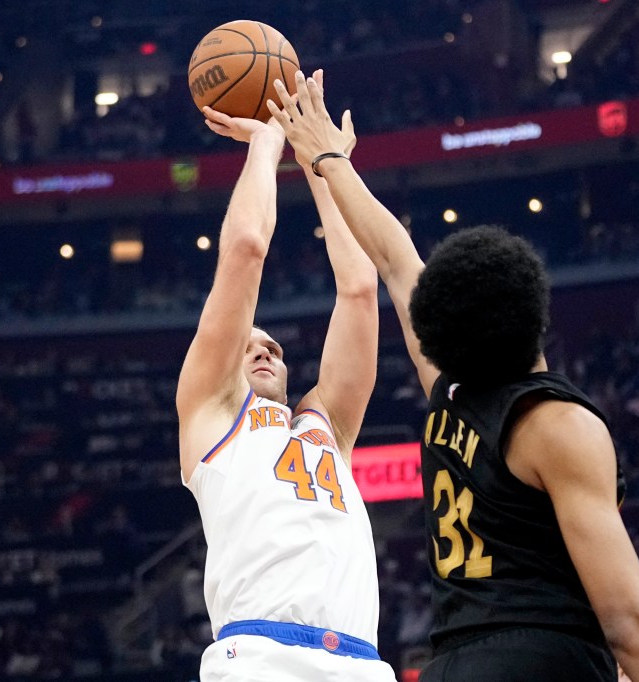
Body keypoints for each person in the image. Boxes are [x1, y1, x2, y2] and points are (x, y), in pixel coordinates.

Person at [269, 70, 639, 682]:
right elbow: (630, 621)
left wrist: (329, 160)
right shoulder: (557, 425)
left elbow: (395, 259)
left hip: (450, 664)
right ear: (536, 310)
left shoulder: (448, 397)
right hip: (543, 657)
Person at [176, 92, 396, 682]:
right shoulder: (210, 414)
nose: (265, 346)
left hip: (362, 664)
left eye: (272, 343)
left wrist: (323, 164)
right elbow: (247, 249)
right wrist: (267, 145)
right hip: (260, 658)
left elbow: (358, 289)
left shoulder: (327, 427)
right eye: (249, 344)